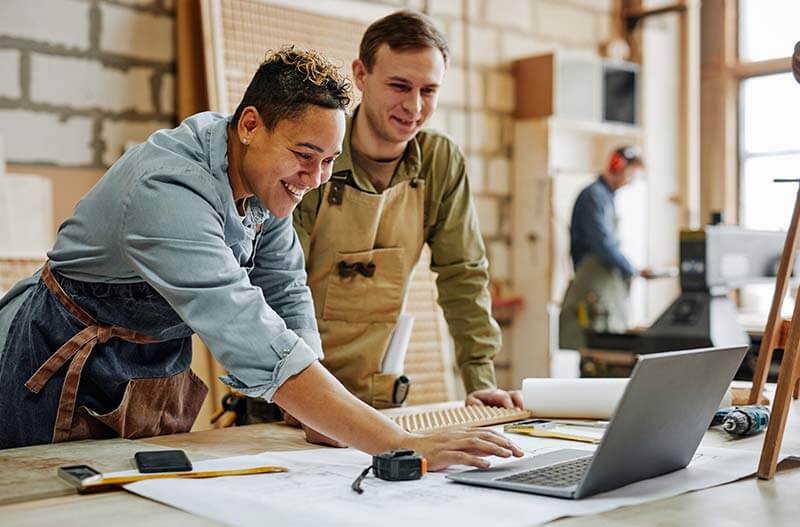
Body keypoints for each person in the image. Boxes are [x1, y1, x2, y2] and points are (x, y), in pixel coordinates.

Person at [0, 47, 522, 469]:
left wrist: (319, 408)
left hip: (148, 371)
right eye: (304, 156)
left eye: (329, 161)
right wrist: (397, 442)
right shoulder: (169, 190)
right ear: (251, 124)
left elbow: (286, 286)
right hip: (63, 366)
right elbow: (247, 329)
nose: (316, 180)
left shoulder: (257, 177)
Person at [264, 11, 520, 445]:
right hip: (286, 399)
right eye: (400, 86)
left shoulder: (440, 162)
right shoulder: (316, 153)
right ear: (361, 75)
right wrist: (303, 397)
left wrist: (479, 378)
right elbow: (279, 283)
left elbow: (464, 274)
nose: (414, 107)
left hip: (379, 402)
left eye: (429, 90)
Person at [558, 146, 654, 350]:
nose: (630, 181)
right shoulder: (594, 196)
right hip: (592, 286)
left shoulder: (605, 197)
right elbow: (602, 244)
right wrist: (632, 269)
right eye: (631, 174)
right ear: (618, 166)